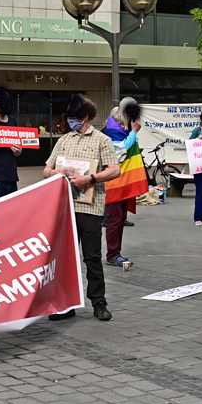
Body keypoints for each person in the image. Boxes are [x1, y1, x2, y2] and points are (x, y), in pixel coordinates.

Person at [44, 95, 120, 322]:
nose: (70, 122)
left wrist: (91, 179)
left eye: (74, 118)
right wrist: (55, 173)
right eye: (69, 118)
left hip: (91, 208)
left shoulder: (102, 140)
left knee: (92, 258)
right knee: (66, 258)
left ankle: (99, 303)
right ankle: (66, 305)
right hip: (65, 208)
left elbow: (115, 170)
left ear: (85, 116)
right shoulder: (64, 140)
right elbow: (46, 169)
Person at [103, 97, 140, 268]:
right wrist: (133, 133)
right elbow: (120, 153)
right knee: (115, 219)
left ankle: (115, 253)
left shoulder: (117, 128)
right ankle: (113, 254)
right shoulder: (113, 130)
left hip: (122, 182)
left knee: (119, 218)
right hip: (114, 183)